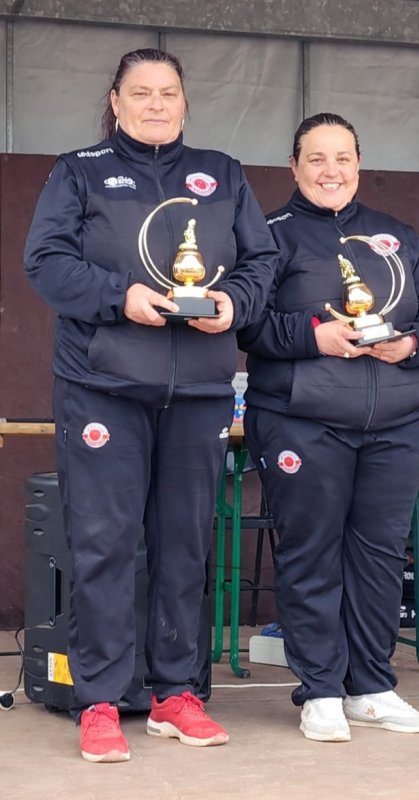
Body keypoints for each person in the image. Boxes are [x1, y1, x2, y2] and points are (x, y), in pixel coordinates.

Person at [24, 48, 279, 762]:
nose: (156, 104)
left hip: (198, 390)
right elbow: (45, 261)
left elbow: (262, 263)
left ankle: (176, 693)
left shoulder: (222, 174)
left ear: (185, 102)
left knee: (185, 545)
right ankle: (100, 699)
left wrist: (231, 303)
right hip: (102, 386)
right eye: (142, 93)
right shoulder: (78, 170)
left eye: (169, 92)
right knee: (104, 545)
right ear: (116, 100)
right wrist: (121, 297)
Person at [238, 112, 419, 742]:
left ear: (359, 165)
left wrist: (411, 343)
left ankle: (372, 686)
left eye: (342, 158)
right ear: (295, 167)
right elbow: (245, 323)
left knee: (379, 557)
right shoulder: (268, 235)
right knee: (309, 553)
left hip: (393, 421)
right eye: (316, 159)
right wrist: (316, 336)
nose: (331, 171)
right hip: (302, 421)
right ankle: (321, 690)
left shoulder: (395, 235)